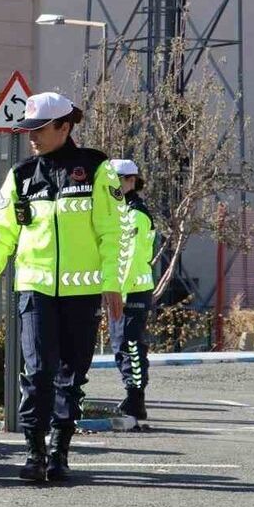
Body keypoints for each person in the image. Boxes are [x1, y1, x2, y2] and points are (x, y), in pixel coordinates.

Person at [0, 92, 124, 483]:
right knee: (38, 371)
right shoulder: (21, 175)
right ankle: (34, 452)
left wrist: (112, 283)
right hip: (34, 290)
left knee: (71, 375)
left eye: (39, 130)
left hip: (82, 292)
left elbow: (112, 232)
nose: (32, 138)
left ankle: (60, 450)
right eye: (27, 131)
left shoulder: (96, 168)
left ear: (65, 127)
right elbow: (1, 232)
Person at [109, 159, 155, 422]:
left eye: (119, 179)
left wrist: (120, 293)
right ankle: (132, 394)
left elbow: (129, 257)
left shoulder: (135, 213)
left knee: (131, 344)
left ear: (132, 181)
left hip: (133, 289)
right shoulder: (120, 211)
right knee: (121, 344)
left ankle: (136, 397)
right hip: (122, 289)